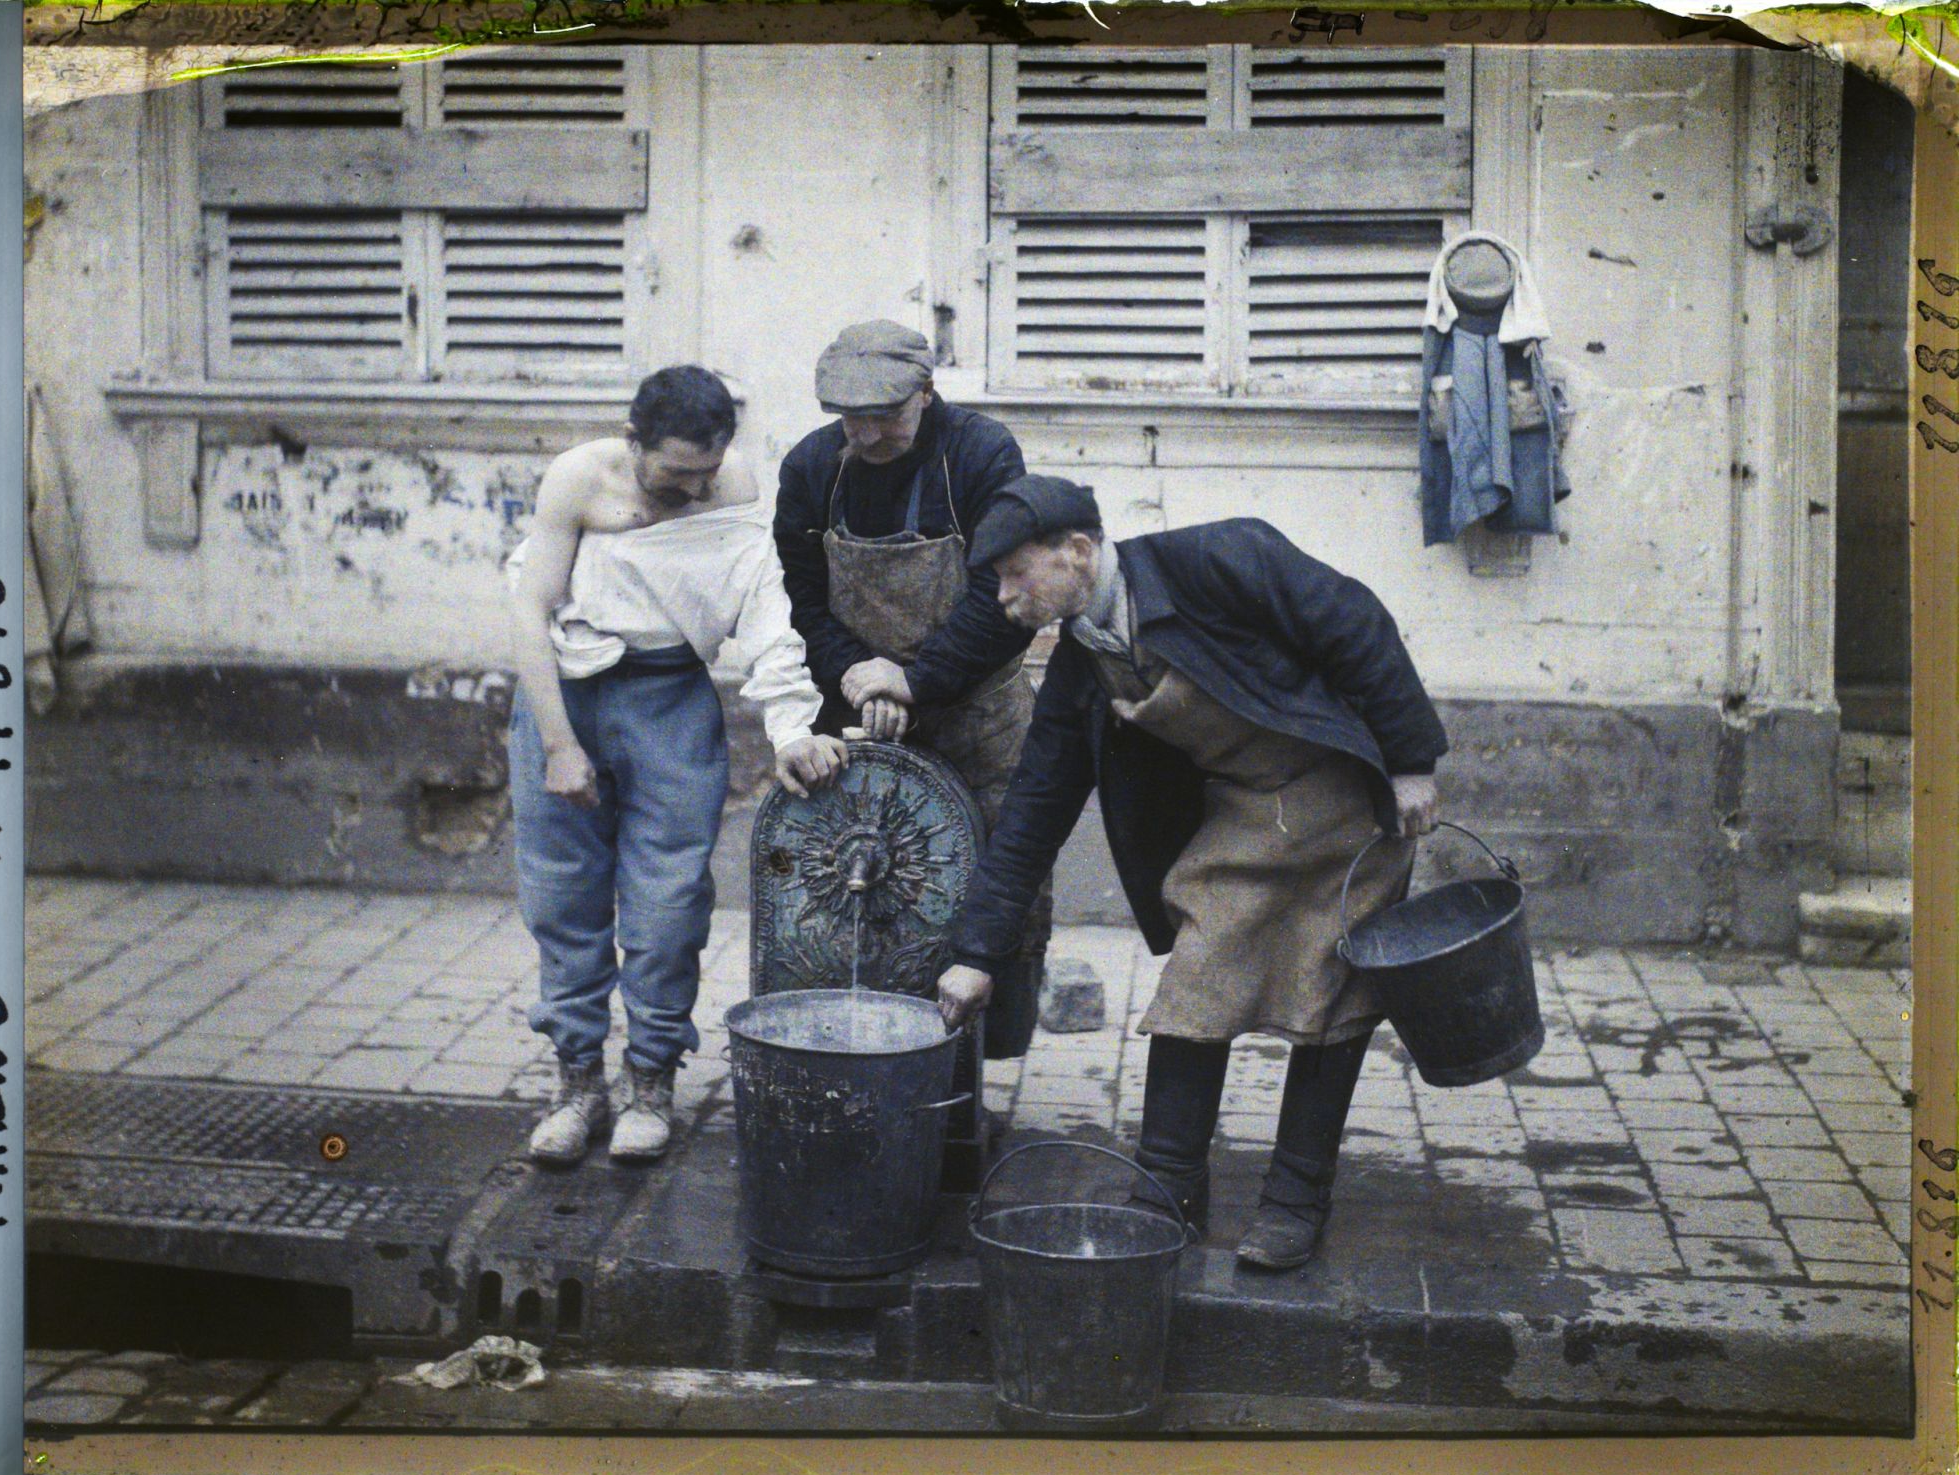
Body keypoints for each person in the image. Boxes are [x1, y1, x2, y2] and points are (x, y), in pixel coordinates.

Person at [934, 475, 1446, 1270]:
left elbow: (1355, 624)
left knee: (1334, 1002)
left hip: (1350, 801)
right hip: (1244, 821)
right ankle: (1170, 1186)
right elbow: (1035, 808)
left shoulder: (1223, 558)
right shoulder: (1080, 668)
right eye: (994, 581)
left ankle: (1294, 1200)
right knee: (1190, 995)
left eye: (1014, 574)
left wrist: (1412, 762)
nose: (1002, 598)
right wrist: (978, 953)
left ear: (1078, 551)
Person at [506, 365, 847, 1167]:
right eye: (673, 472)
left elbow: (763, 608)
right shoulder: (579, 476)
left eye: (706, 470)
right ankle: (577, 1083)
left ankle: (651, 1079)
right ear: (633, 443)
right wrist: (558, 743)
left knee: (667, 903)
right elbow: (530, 606)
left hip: (669, 703)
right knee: (563, 899)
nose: (693, 489)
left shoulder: (726, 489)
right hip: (567, 695)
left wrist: (792, 725)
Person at [774, 319, 1050, 1059]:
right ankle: (869, 1060)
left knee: (996, 892)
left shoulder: (981, 455)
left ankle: (981, 1067)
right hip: (861, 712)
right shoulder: (810, 468)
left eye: (883, 416)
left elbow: (1009, 590)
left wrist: (917, 680)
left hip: (980, 715)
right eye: (849, 418)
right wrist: (860, 676)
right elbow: (798, 598)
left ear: (927, 394)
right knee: (866, 897)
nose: (864, 436)